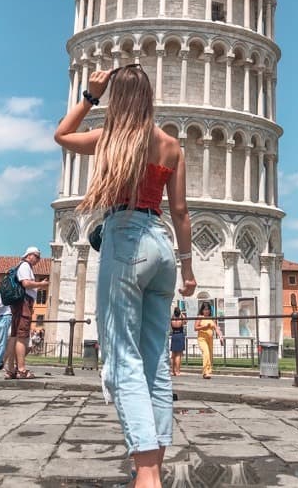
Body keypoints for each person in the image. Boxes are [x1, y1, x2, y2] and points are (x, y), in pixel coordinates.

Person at [54, 64, 196, 488]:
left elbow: (62, 135)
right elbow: (183, 213)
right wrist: (187, 267)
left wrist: (89, 96)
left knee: (122, 359)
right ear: (150, 98)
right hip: (162, 245)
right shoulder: (172, 146)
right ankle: (152, 463)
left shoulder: (112, 139)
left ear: (118, 100)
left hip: (126, 238)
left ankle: (147, 474)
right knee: (155, 360)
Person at [4, 247, 47, 379]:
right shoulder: (25, 266)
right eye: (37, 256)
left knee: (15, 336)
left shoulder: (21, 266)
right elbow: (26, 283)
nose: (38, 260)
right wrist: (41, 284)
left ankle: (10, 369)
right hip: (23, 303)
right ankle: (21, 369)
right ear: (29, 255)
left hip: (19, 303)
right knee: (22, 336)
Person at [194, 302, 223, 379]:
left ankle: (208, 371)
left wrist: (220, 336)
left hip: (210, 339)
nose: (207, 311)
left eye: (208, 309)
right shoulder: (200, 317)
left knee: (210, 355)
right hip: (202, 338)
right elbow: (195, 328)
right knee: (206, 353)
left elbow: (216, 328)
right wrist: (204, 327)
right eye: (205, 309)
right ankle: (205, 372)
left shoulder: (211, 318)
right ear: (202, 310)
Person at [170, 307, 186, 377]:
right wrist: (182, 314)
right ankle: (177, 371)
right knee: (178, 355)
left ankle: (173, 370)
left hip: (174, 334)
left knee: (173, 354)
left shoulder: (172, 318)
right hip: (180, 334)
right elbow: (185, 321)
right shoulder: (181, 318)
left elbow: (171, 324)